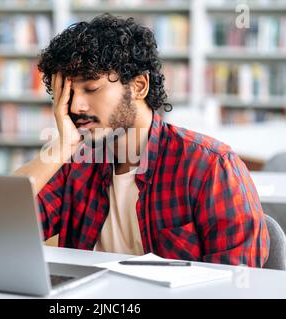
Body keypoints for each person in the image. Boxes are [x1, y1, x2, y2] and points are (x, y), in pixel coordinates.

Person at [15, 13, 269, 267]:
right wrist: (62, 146)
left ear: (138, 86)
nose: (77, 106)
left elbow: (238, 282)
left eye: (91, 88)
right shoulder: (73, 164)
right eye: (67, 94)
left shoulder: (210, 167)